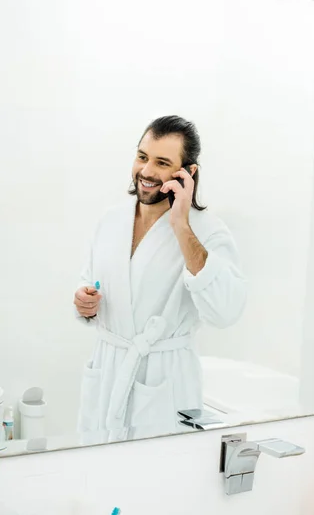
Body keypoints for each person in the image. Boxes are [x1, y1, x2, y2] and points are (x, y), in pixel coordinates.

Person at [74, 115, 246, 440]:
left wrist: (181, 226)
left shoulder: (208, 231)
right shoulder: (111, 220)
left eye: (162, 162)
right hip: (107, 370)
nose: (147, 171)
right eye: (142, 157)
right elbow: (89, 282)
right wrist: (84, 303)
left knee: (156, 481)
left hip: (165, 379)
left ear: (187, 173)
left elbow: (226, 311)